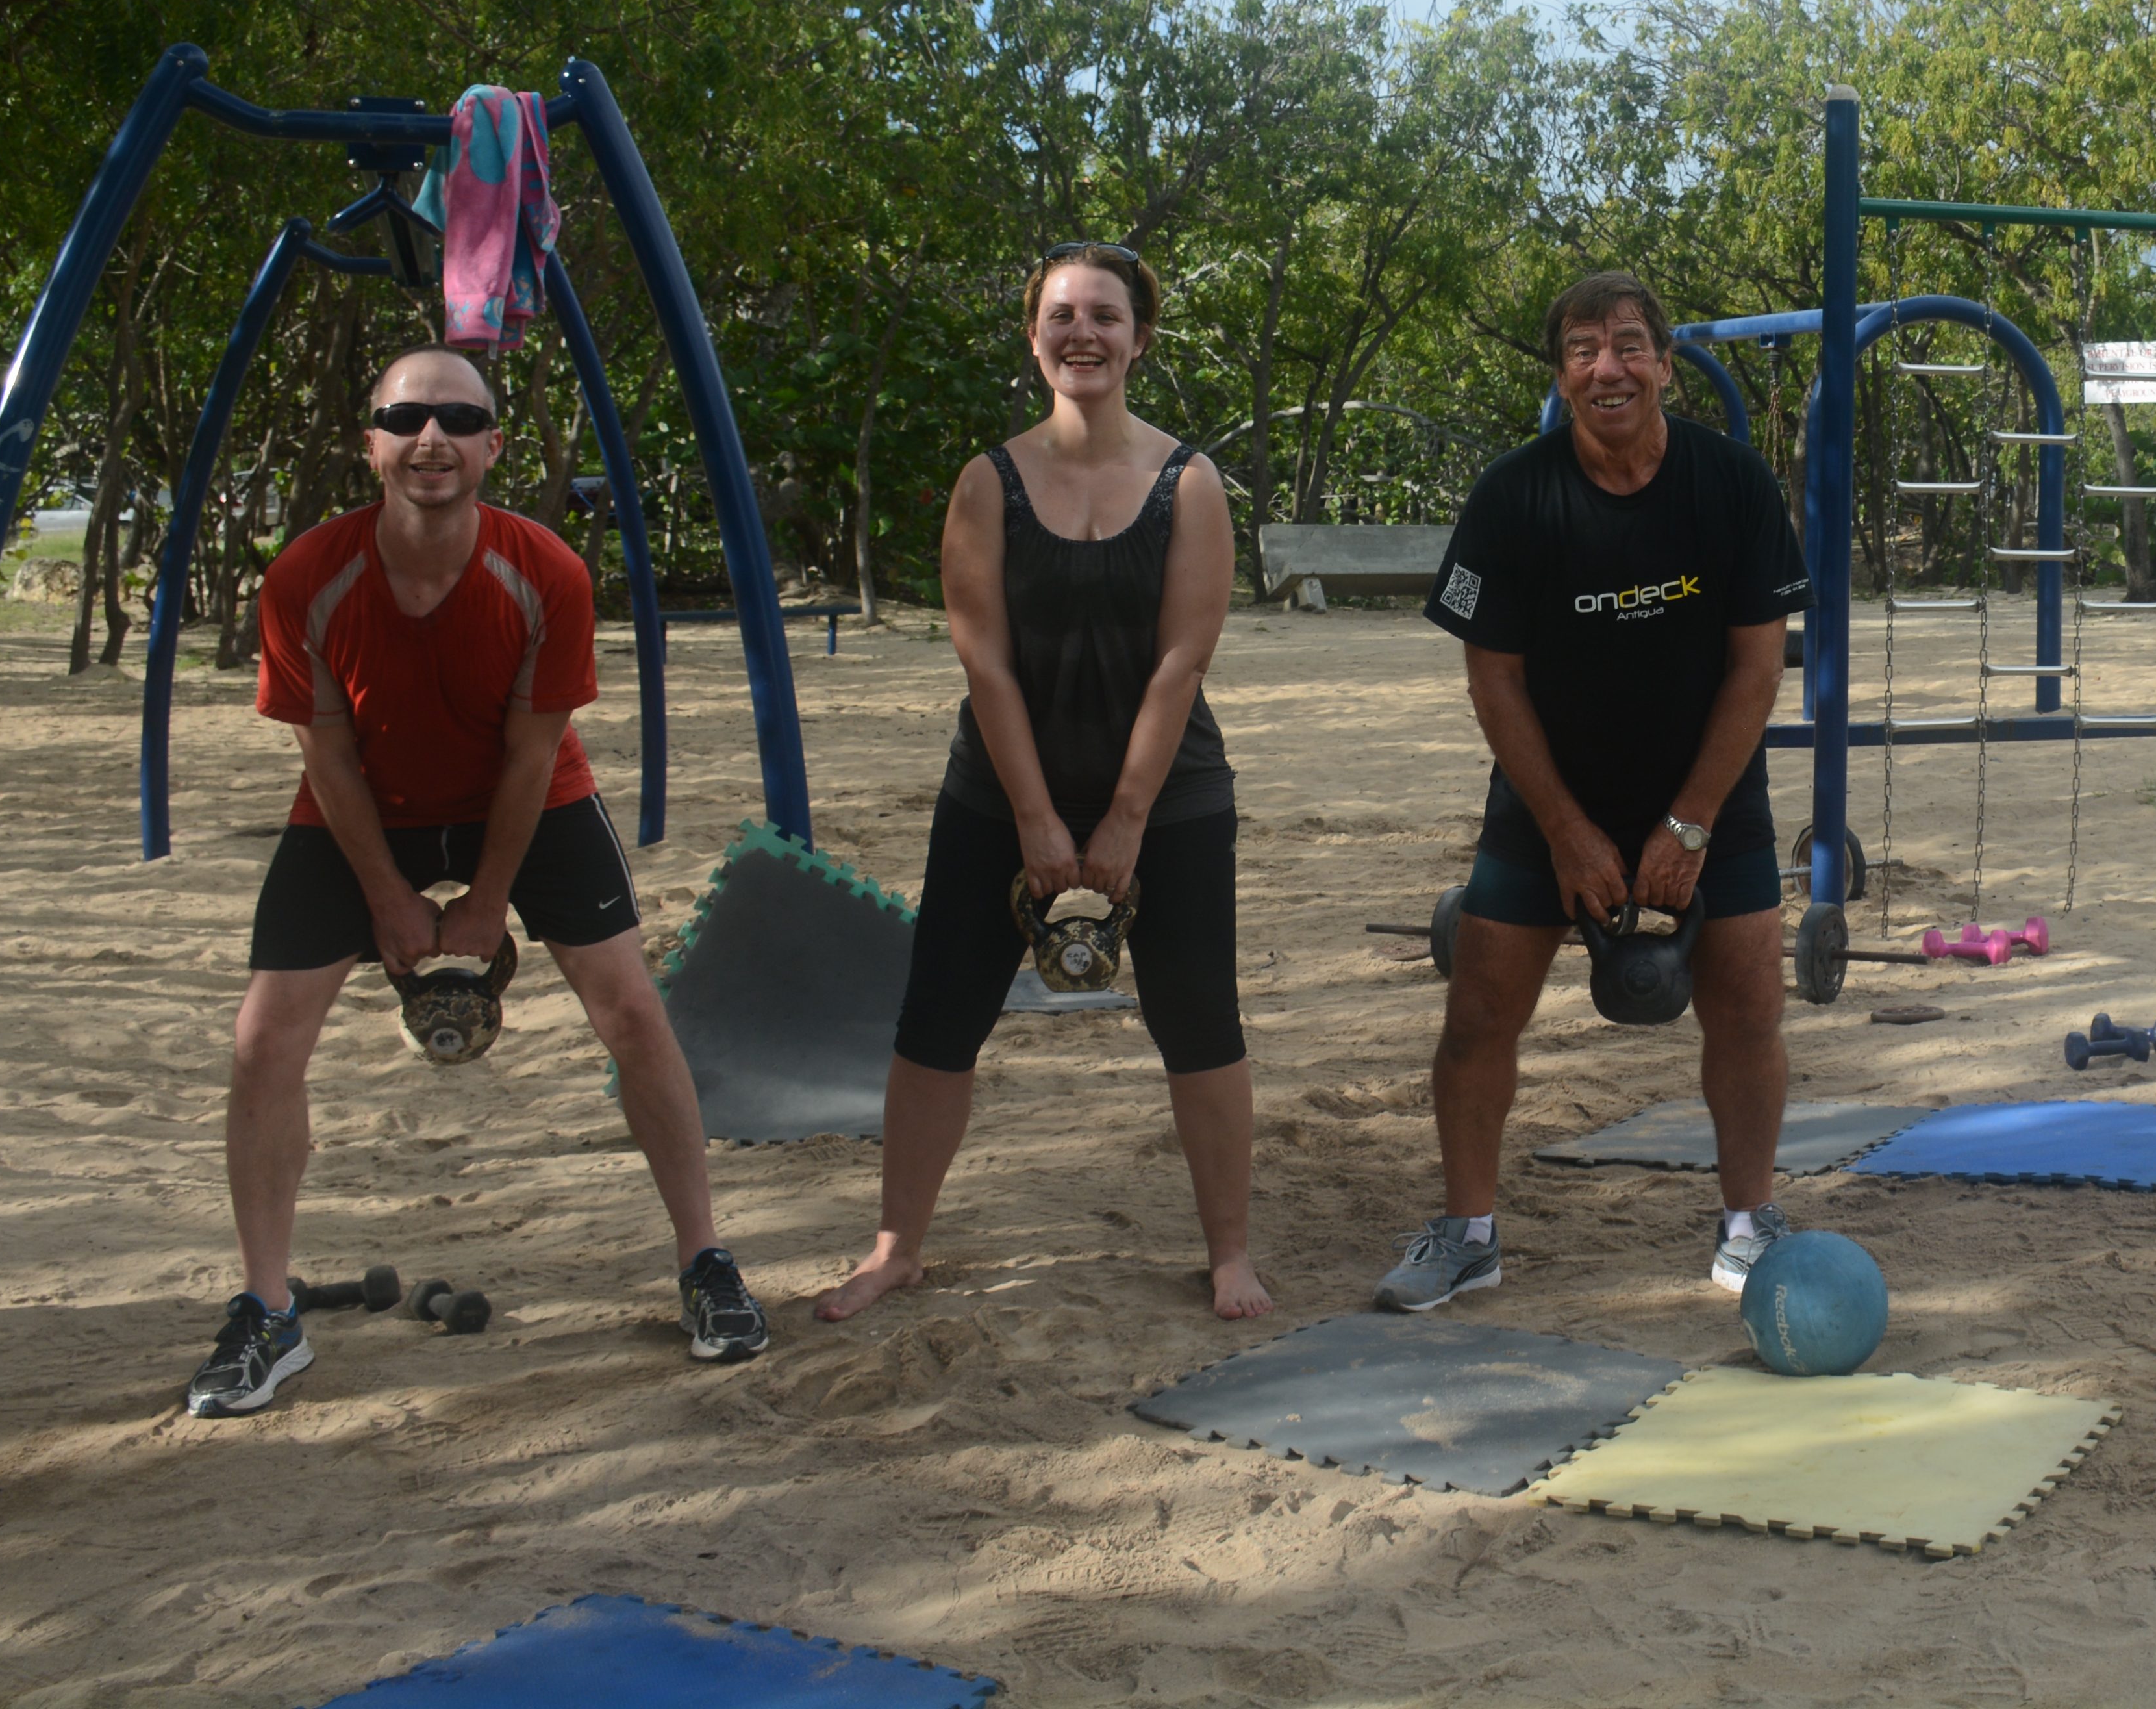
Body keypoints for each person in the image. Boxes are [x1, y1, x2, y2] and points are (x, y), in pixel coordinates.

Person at [186, 346, 766, 1419]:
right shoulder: (307, 576)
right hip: (364, 806)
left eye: (458, 417)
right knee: (265, 1039)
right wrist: (390, 899)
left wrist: (487, 902)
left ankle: (707, 1265)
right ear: (371, 444)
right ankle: (266, 1312)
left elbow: (533, 753)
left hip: (526, 801)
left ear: (495, 445)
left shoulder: (544, 570)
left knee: (634, 1009)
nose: (431, 438)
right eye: (405, 417)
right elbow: (327, 758)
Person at [818, 242, 1265, 1323]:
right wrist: (1033, 818)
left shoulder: (1189, 483)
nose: (1083, 334)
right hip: (997, 790)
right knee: (939, 1017)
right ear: (1034, 339)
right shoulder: (989, 482)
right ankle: (896, 1248)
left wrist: (1121, 822)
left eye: (1105, 317)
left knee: (1200, 1019)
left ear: (1139, 340)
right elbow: (986, 660)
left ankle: (1231, 1254)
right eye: (1061, 315)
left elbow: (1180, 660)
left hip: (1170, 795)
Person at [1377, 268, 1812, 1311]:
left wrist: (1691, 822)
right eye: (1582, 350)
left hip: (1709, 796)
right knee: (1479, 1013)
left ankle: (1749, 1223)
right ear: (1564, 377)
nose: (1606, 366)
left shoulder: (1733, 484)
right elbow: (1494, 677)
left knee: (1750, 1008)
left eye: (1627, 345)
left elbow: (1760, 668)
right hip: (1548, 799)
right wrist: (1567, 831)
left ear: (1665, 364)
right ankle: (1468, 1233)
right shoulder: (1513, 497)